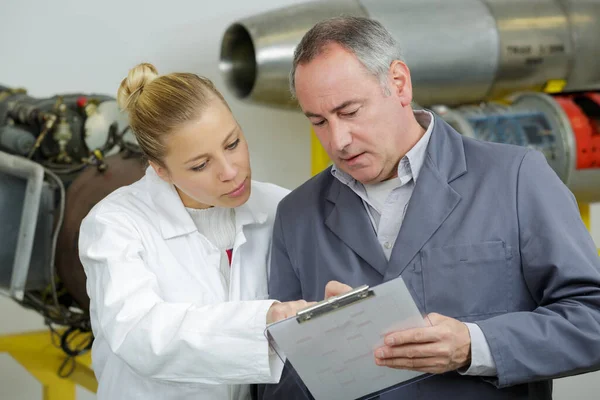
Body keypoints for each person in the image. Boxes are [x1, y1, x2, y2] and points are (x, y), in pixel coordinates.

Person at [258, 16, 600, 400]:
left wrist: (475, 345)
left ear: (399, 84)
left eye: (350, 112)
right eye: (319, 121)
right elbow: (276, 379)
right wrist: (322, 343)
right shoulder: (296, 215)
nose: (338, 141)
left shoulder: (517, 177)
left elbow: (593, 319)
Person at [78, 63, 312, 400]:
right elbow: (139, 334)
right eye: (200, 165)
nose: (231, 172)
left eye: (232, 143)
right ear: (161, 171)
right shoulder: (115, 225)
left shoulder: (279, 207)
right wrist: (266, 318)